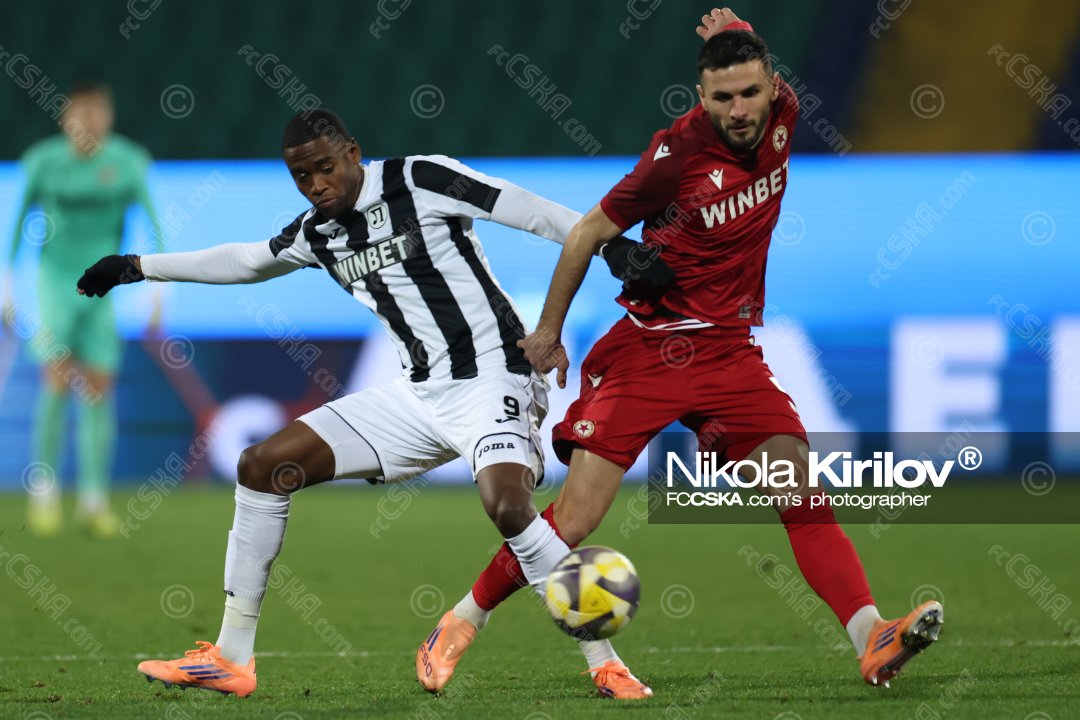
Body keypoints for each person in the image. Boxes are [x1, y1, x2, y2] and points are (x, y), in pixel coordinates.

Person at [420, 8, 944, 698]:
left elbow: (757, 72)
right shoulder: (676, 156)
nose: (738, 110)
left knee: (801, 492)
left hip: (730, 354)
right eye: (722, 98)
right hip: (650, 351)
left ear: (773, 87)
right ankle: (462, 619)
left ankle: (871, 635)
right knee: (575, 520)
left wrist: (740, 29)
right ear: (701, 97)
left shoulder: (785, 114)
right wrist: (547, 332)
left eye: (749, 93)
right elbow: (585, 233)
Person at [76, 108, 673, 698]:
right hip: (417, 395)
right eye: (302, 177)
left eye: (325, 168)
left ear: (353, 153)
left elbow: (527, 210)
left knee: (508, 505)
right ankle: (231, 657)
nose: (317, 185)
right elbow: (245, 261)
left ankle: (604, 663)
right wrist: (136, 267)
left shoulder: (420, 178)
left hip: (495, 377)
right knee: (261, 466)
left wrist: (612, 249)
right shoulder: (317, 233)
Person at [3, 80, 163, 538]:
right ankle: (45, 494)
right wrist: (7, 283)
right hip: (55, 282)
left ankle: (94, 500)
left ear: (108, 116)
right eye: (81, 112)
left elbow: (154, 222)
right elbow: (17, 221)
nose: (89, 122)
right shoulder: (42, 161)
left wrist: (159, 289)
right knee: (56, 378)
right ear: (65, 117)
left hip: (104, 286)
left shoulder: (129, 161)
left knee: (98, 387)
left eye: (98, 112)